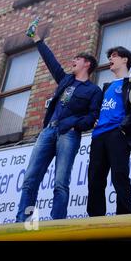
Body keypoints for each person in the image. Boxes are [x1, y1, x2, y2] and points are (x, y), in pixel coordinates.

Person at [16, 29, 103, 222]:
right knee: (31, 179)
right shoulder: (65, 80)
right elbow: (50, 60)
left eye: (77, 59)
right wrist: (37, 39)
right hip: (48, 131)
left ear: (87, 63)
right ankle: (22, 221)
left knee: (60, 182)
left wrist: (74, 125)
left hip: (68, 135)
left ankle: (57, 223)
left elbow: (92, 116)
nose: (73, 61)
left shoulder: (94, 91)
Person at [87, 46, 131, 217]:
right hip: (98, 136)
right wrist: (96, 119)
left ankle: (124, 217)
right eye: (110, 56)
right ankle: (95, 219)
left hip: (117, 134)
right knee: (95, 179)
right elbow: (99, 110)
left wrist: (122, 128)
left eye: (114, 56)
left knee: (119, 176)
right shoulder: (106, 87)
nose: (110, 59)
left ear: (125, 60)